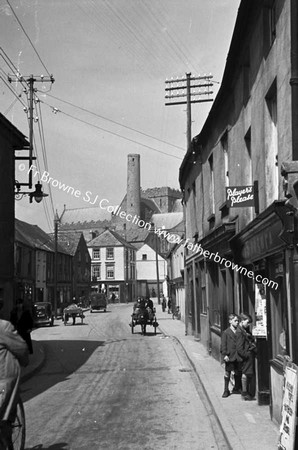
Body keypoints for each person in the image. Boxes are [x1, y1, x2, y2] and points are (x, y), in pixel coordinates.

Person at [0, 298, 29, 447]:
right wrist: (24, 362)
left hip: (3, 382)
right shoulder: (4, 326)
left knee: (3, 421)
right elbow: (21, 350)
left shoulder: (3, 327)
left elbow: (21, 348)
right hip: (5, 379)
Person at [220, 313, 243, 398]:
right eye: (235, 321)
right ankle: (226, 390)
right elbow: (223, 345)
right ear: (230, 321)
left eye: (238, 321)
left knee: (238, 371)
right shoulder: (226, 332)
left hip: (238, 356)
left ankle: (236, 387)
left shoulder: (239, 332)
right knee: (228, 372)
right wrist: (225, 354)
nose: (237, 322)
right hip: (230, 356)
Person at [237, 313, 257, 401]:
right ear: (242, 321)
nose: (248, 324)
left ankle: (246, 393)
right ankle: (245, 393)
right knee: (246, 373)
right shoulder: (240, 332)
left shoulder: (243, 330)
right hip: (246, 355)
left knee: (247, 373)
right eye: (247, 322)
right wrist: (246, 355)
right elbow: (239, 348)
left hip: (247, 354)